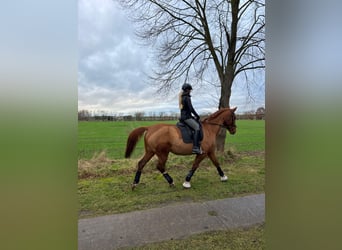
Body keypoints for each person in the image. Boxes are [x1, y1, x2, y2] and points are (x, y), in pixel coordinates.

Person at [179, 83, 203, 154]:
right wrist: (197, 115)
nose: (190, 91)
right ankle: (195, 148)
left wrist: (192, 116)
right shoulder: (187, 97)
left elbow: (186, 109)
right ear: (187, 90)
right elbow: (191, 108)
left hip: (184, 116)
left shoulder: (182, 97)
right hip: (186, 117)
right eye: (190, 90)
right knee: (197, 127)